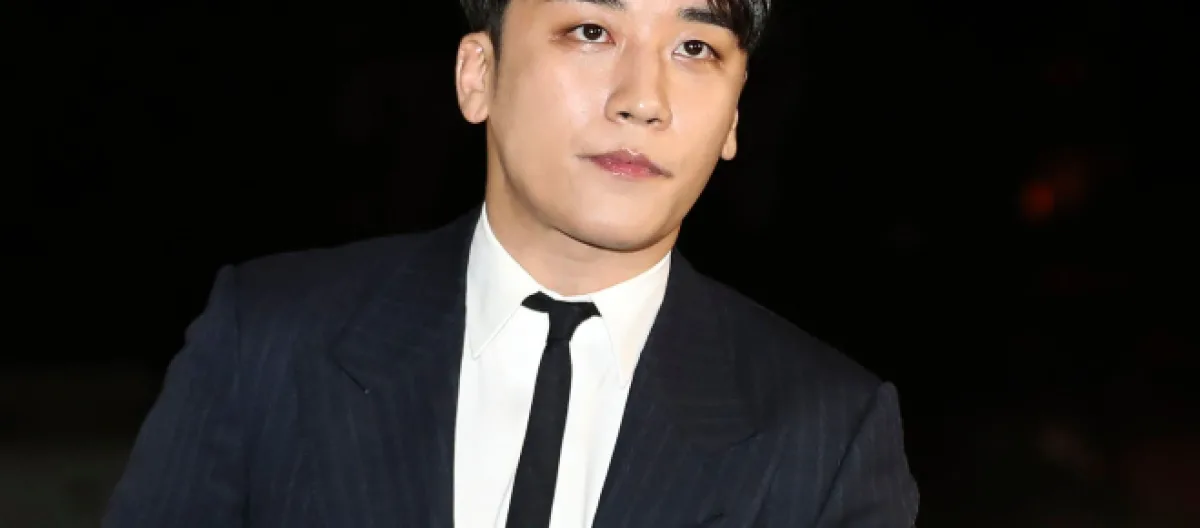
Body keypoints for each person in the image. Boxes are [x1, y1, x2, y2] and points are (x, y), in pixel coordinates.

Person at [103, 0, 919, 526]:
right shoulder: (266, 342)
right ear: (478, 74)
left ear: (735, 115)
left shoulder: (828, 430)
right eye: (591, 33)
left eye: (696, 47)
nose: (644, 99)